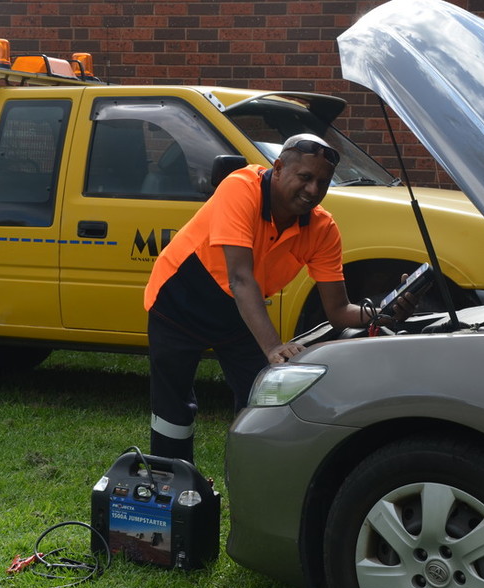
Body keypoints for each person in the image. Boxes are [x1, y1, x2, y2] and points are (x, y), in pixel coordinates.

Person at [143, 133, 417, 462]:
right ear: (279, 167)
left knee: (262, 399)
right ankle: (168, 483)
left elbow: (339, 311)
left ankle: (249, 481)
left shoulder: (322, 229)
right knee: (173, 406)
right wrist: (273, 346)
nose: (313, 190)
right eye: (305, 177)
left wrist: (387, 311)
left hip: (240, 310)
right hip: (179, 298)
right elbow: (241, 277)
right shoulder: (240, 188)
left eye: (323, 182)